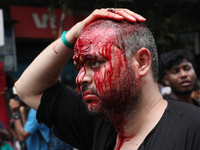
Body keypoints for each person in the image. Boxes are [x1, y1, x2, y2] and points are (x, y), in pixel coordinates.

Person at [14, 8, 200, 150]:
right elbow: (27, 89)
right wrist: (74, 33)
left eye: (95, 63)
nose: (81, 78)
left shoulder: (193, 129)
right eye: (79, 67)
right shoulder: (99, 124)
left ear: (141, 62)